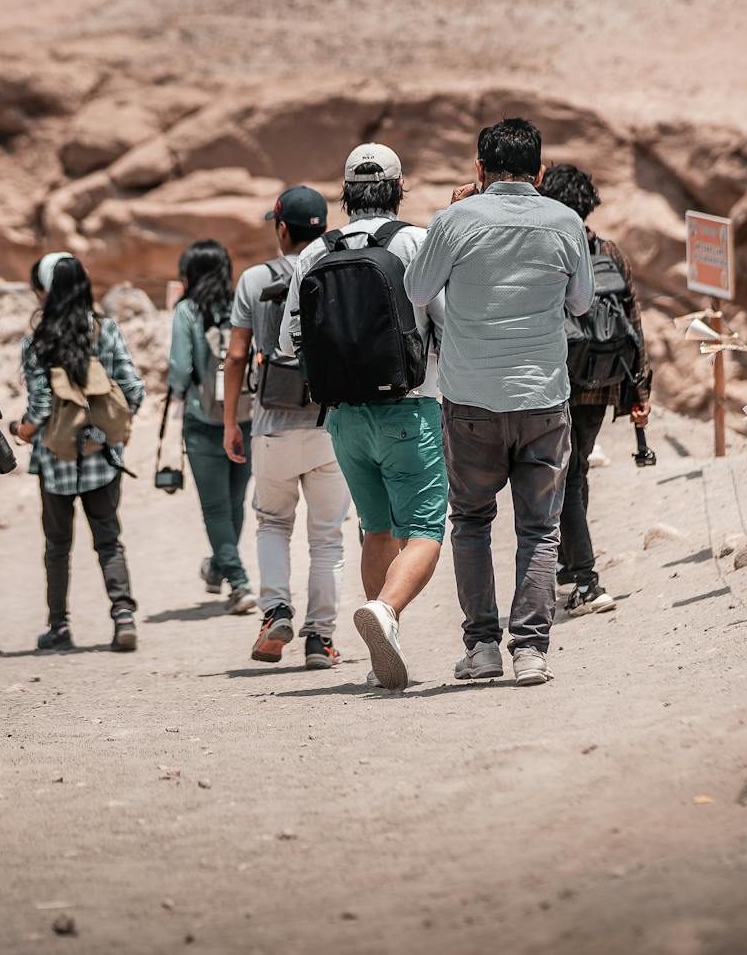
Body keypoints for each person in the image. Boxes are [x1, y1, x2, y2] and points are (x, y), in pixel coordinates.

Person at [404, 118, 592, 688]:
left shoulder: (455, 220)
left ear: (480, 169)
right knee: (539, 528)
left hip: (470, 401)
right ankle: (530, 649)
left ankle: (483, 646)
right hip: (543, 399)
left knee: (470, 521)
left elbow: (416, 290)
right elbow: (581, 303)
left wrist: (451, 214)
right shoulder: (566, 222)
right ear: (540, 171)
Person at [279, 144, 447, 690]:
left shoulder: (315, 252)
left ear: (346, 194)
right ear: (397, 189)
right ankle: (386, 612)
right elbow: (446, 322)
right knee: (425, 531)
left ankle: (382, 648)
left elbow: (286, 339)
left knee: (376, 529)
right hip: (410, 408)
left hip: (344, 417)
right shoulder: (416, 242)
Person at [221, 187, 351, 668]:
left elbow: (237, 355)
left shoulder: (255, 279)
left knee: (273, 523)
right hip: (330, 422)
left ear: (281, 228)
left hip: (272, 423)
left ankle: (276, 610)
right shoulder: (336, 267)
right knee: (327, 537)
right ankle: (320, 639)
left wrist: (231, 421)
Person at [11, 252, 146, 652]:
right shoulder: (105, 330)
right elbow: (133, 390)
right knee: (109, 539)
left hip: (56, 461)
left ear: (45, 292)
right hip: (103, 457)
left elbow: (39, 407)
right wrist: (114, 432)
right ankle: (123, 615)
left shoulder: (37, 342)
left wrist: (20, 430)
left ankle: (59, 626)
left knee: (57, 546)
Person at [540, 164, 651, 616]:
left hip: (559, 379)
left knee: (565, 475)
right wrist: (640, 390)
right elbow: (634, 321)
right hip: (602, 381)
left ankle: (585, 579)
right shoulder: (609, 251)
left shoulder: (548, 249)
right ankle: (570, 565)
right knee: (577, 468)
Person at [169, 240, 257, 615]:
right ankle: (220, 566)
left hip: (203, 421)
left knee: (216, 509)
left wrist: (179, 392)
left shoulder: (187, 311)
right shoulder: (240, 305)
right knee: (234, 503)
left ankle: (238, 583)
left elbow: (179, 367)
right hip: (245, 417)